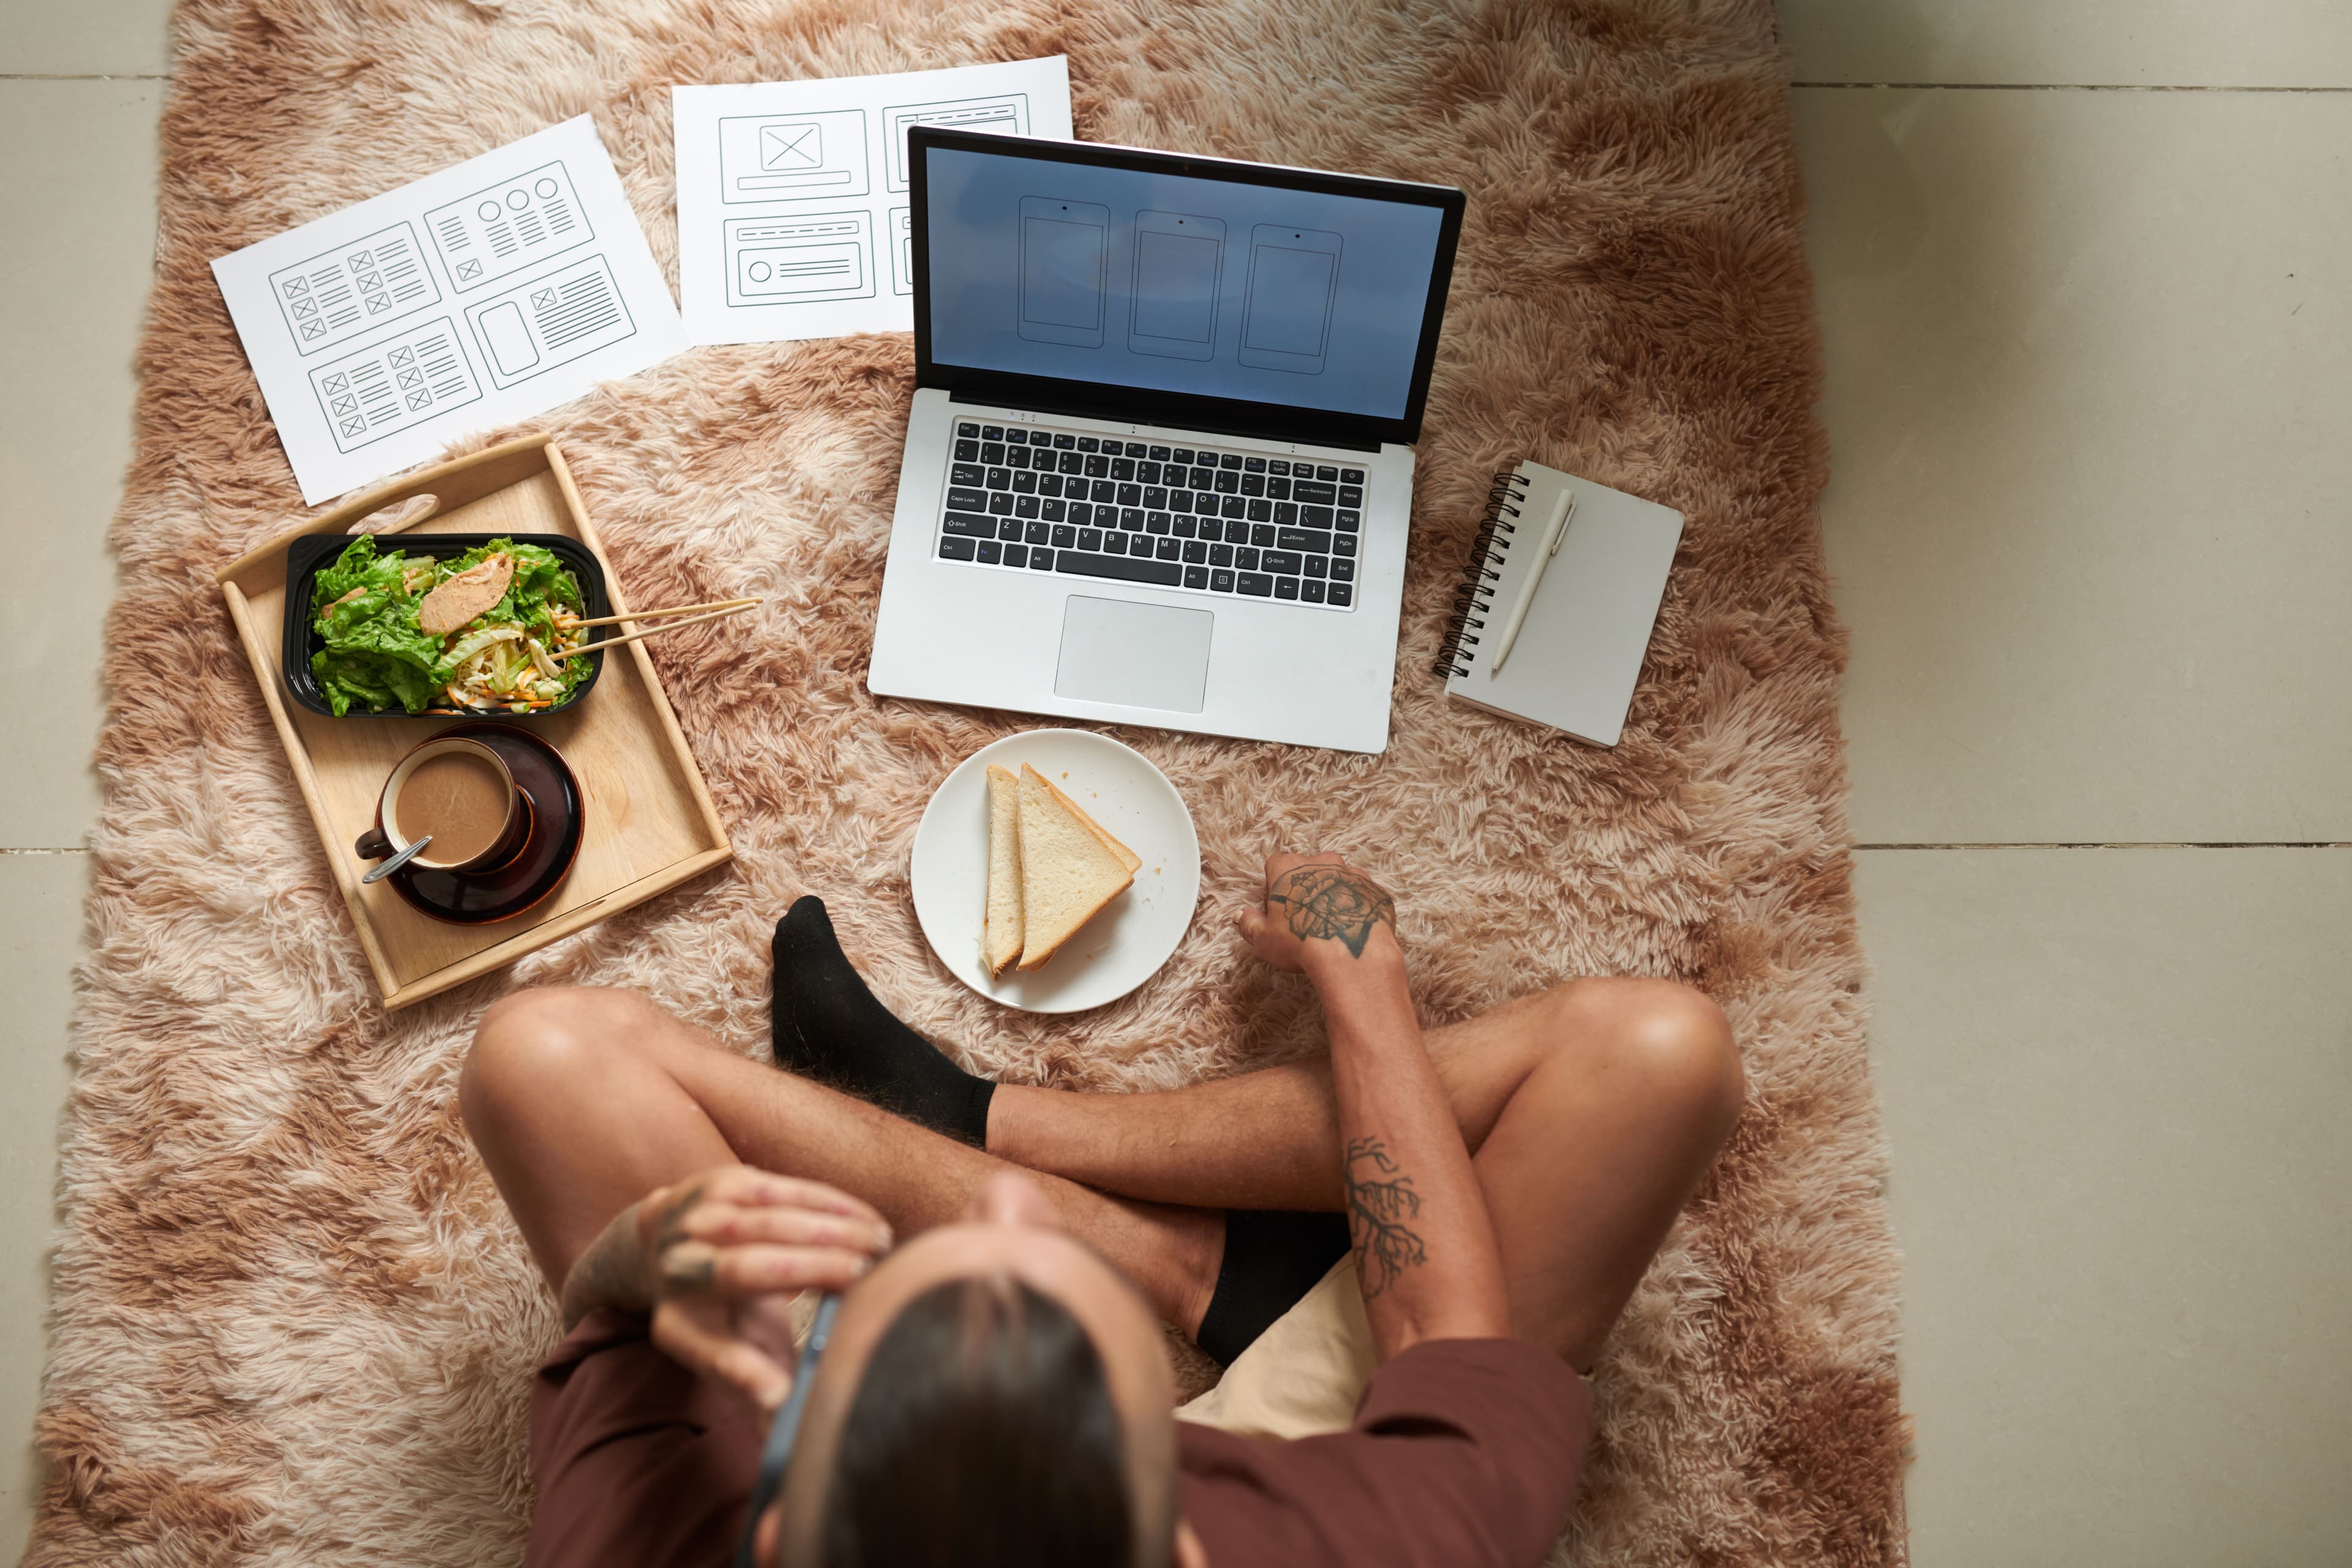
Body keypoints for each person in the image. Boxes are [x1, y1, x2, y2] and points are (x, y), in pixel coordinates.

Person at [461, 853, 1743, 1567]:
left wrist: (638, 1266)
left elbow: (602, 1315)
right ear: (1186, 1513)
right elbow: (1443, 1333)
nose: (1010, 1221)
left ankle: (969, 1112)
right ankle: (1173, 1252)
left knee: (542, 1055)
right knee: (1657, 1051)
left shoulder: (646, 1543)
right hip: (1317, 1430)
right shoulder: (1372, 1540)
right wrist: (1362, 978)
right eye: (1040, 1241)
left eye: (977, 1233)